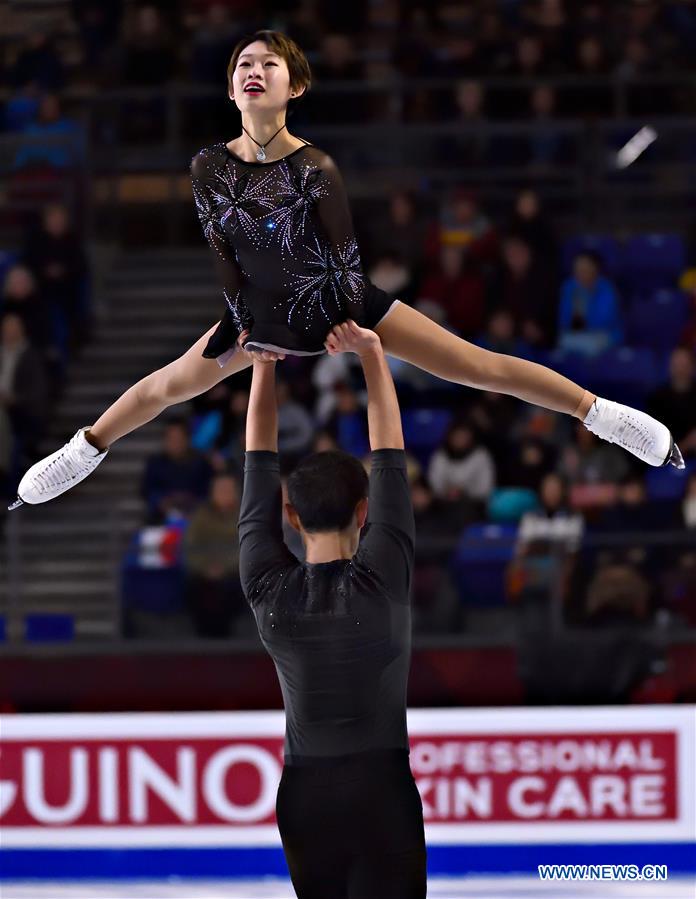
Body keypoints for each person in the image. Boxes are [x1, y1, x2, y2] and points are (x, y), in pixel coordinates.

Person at [12, 29, 683, 511]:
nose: (254, 70)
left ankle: (603, 414)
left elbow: (342, 264)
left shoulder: (315, 168)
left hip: (342, 300)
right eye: (244, 63)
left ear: (294, 86)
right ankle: (82, 450)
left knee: (477, 366)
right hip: (261, 311)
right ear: (229, 88)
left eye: (269, 64)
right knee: (163, 387)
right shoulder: (206, 167)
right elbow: (223, 249)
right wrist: (245, 322)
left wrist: (332, 334)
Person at [239, 319, 426, 898]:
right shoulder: (384, 579)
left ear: (289, 517)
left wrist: (263, 364)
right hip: (382, 792)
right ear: (366, 514)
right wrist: (372, 354)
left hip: (305, 799)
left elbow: (257, 463)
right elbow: (389, 452)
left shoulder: (268, 590)